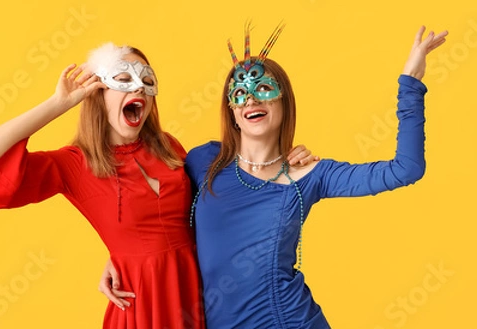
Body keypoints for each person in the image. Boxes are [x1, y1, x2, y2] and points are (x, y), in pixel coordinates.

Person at [0, 42, 316, 329]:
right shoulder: (74, 164)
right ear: (100, 93)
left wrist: (283, 163)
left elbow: (217, 199)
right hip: (142, 305)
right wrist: (58, 104)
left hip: (199, 294)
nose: (136, 86)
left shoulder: (170, 148)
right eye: (123, 79)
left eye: (146, 80)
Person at [102, 24, 448, 328]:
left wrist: (411, 84)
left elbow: (405, 169)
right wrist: (120, 255)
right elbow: (157, 208)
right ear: (233, 112)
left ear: (284, 104)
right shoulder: (203, 161)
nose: (251, 99)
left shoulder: (310, 174)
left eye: (264, 89)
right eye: (240, 94)